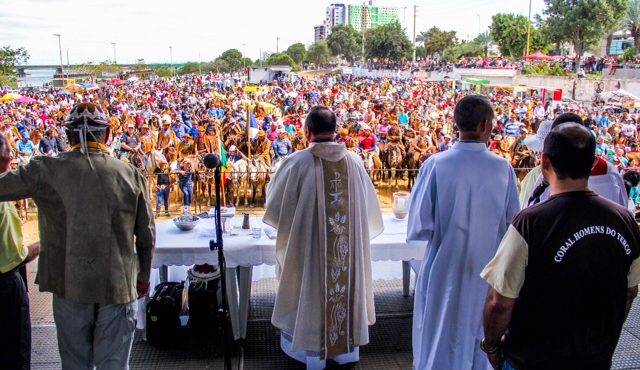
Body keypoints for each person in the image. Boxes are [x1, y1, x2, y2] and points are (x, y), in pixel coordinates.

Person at [0, 102, 155, 369]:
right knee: (114, 365)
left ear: (68, 135)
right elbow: (147, 235)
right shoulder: (130, 174)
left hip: (68, 283)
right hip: (117, 284)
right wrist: (143, 277)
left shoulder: (44, 170)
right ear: (107, 135)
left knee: (74, 364)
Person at [481, 123, 640, 370]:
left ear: (544, 162)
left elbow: (499, 301)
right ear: (592, 163)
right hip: (595, 359)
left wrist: (490, 345)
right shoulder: (625, 220)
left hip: (531, 359)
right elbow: (630, 291)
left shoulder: (530, 222)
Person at [264, 106, 384, 369]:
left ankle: (313, 357)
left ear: (307, 131)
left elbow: (275, 209)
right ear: (335, 131)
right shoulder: (354, 162)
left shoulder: (295, 163)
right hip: (346, 256)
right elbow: (369, 212)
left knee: (310, 293)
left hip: (311, 254)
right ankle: (345, 354)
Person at [408, 95, 520, 370]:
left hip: (444, 267)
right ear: (485, 126)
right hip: (488, 270)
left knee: (439, 333)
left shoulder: (436, 164)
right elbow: (512, 224)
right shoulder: (502, 168)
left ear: (455, 123)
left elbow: (419, 226)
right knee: (478, 334)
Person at [0, 135, 40, 370]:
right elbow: (16, 258)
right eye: (8, 151)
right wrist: (44, 243)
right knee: (14, 352)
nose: (12, 156)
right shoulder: (2, 202)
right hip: (5, 287)